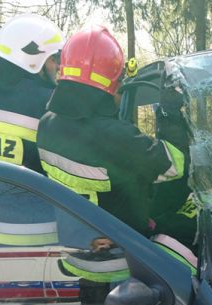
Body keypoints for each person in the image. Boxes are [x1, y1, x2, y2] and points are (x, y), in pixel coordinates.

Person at [36, 25, 188, 275]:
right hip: (120, 264)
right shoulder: (113, 136)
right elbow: (175, 164)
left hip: (78, 253)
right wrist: (169, 114)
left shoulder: (47, 123)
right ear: (108, 85)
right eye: (119, 83)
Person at [0, 14, 65, 247]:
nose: (58, 65)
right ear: (35, 61)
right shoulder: (47, 102)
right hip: (28, 230)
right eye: (54, 58)